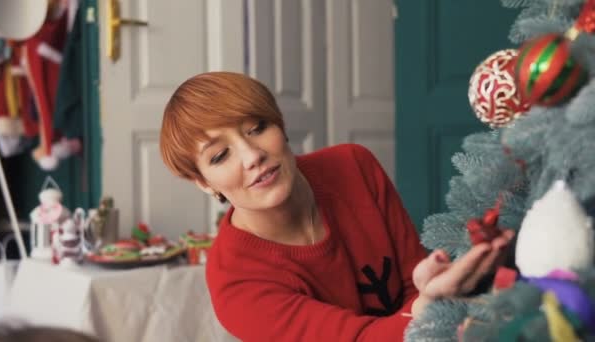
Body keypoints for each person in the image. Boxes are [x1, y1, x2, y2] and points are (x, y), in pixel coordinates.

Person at [159, 72, 514, 341]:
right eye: (220, 156)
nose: (253, 155)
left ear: (279, 125)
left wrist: (429, 294)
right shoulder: (234, 281)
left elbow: (411, 287)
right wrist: (427, 306)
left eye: (257, 127)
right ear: (204, 182)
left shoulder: (352, 166)